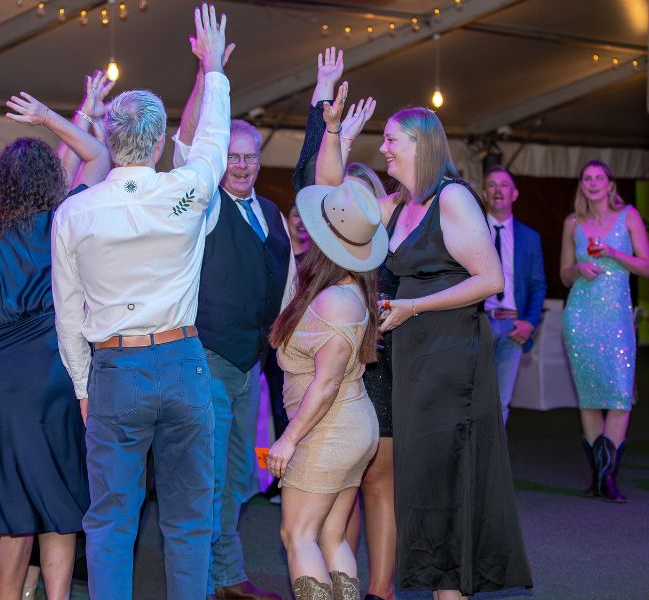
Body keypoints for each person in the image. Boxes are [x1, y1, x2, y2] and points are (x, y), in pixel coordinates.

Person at [50, 5, 229, 598]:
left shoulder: (74, 211)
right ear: (156, 143)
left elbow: (68, 313)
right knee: (188, 517)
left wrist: (82, 386)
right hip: (182, 365)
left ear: (107, 135)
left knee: (110, 519)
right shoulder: (185, 192)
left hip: (116, 370)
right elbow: (211, 146)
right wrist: (212, 71)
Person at [0, 101, 108, 597]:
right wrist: (57, 118)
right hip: (49, 378)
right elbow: (95, 157)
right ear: (51, 179)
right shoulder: (64, 223)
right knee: (57, 504)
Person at [378, 107, 532, 598]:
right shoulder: (400, 205)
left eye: (390, 140)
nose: (383, 149)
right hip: (412, 351)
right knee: (421, 474)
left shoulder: (454, 199)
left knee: (446, 469)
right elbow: (332, 202)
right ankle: (442, 588)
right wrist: (332, 126)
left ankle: (451, 590)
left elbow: (491, 280)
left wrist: (414, 306)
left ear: (420, 145)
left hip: (450, 354)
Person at [174, 33, 293, 600]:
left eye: (250, 156)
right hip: (209, 358)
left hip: (251, 365)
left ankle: (224, 572)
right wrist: (207, 71)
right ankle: (210, 579)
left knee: (242, 475)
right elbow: (188, 137)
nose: (241, 164)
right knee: (209, 475)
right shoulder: (204, 201)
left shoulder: (272, 213)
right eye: (233, 155)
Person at [300, 55, 397, 600]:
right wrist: (334, 128)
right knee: (349, 491)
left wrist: (335, 127)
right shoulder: (352, 254)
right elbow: (318, 180)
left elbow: (321, 182)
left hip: (372, 371)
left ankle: (378, 588)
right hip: (360, 368)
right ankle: (359, 586)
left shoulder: (366, 248)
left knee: (372, 485)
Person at [267, 169, 386, 599]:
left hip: (328, 430)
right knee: (332, 538)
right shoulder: (349, 290)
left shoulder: (335, 300)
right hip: (350, 427)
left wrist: (287, 439)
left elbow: (327, 384)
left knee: (298, 535)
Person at [560, 159, 649, 503]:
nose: (593, 183)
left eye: (599, 178)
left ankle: (608, 475)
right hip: (580, 315)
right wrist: (578, 268)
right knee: (589, 396)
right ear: (582, 185)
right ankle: (598, 477)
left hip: (616, 319)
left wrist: (614, 253)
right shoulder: (572, 223)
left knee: (619, 394)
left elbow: (645, 265)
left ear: (610, 184)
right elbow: (564, 274)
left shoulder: (629, 217)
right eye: (587, 178)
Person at [481, 166, 546, 425]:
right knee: (472, 398)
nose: (498, 190)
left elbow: (538, 285)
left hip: (513, 327)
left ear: (515, 194)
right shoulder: (470, 232)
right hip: (478, 323)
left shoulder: (530, 238)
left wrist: (530, 322)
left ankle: (492, 465)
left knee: (501, 403)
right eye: (492, 185)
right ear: (485, 193)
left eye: (504, 185)